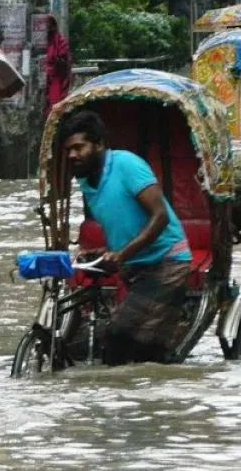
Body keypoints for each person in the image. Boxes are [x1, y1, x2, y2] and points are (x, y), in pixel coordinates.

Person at [58, 110, 193, 366]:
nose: (72, 155)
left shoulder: (127, 165)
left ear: (99, 144)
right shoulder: (87, 181)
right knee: (117, 344)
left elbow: (160, 216)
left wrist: (122, 254)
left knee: (119, 335)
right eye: (68, 150)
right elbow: (121, 223)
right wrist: (101, 252)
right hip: (133, 267)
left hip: (166, 263)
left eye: (79, 147)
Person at [45, 14, 72, 113]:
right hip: (44, 80)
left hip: (56, 79)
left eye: (48, 24)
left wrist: (56, 61)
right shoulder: (43, 42)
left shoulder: (61, 42)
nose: (46, 27)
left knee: (55, 107)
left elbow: (64, 62)